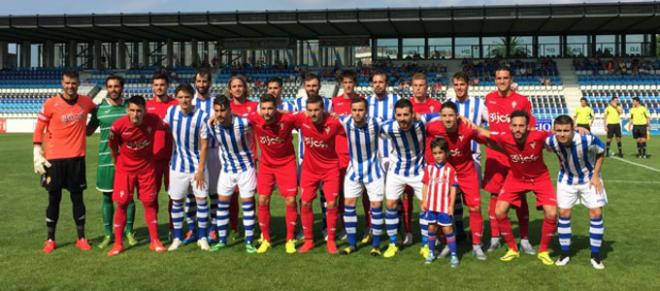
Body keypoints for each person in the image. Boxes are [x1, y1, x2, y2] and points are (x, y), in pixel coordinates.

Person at [480, 110, 557, 265]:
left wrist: (579, 128)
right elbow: (483, 132)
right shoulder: (504, 137)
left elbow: (559, 132)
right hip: (515, 179)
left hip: (540, 178)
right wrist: (465, 122)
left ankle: (543, 251)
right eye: (514, 125)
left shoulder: (538, 136)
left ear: (528, 127)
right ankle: (512, 249)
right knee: (500, 211)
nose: (518, 129)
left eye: (521, 126)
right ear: (510, 126)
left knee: (552, 213)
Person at [33, 70, 96, 253]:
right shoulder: (51, 104)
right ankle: (50, 239)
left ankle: (81, 238)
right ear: (62, 83)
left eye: (74, 83)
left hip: (76, 159)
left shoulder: (86, 102)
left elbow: (99, 112)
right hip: (54, 160)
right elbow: (39, 129)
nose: (70, 86)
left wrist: (91, 128)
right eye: (67, 83)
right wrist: (37, 151)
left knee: (78, 198)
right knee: (54, 199)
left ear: (78, 83)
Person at [424, 101, 487, 260]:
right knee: (442, 210)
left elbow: (486, 138)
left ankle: (476, 245)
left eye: (451, 115)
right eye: (444, 115)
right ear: (440, 117)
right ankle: (445, 242)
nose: (447, 119)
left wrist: (508, 149)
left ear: (457, 116)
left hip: (466, 171)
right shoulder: (433, 127)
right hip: (446, 173)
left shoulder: (467, 128)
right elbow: (418, 121)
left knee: (475, 207)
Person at [106, 95, 168, 256]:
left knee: (149, 203)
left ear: (144, 111)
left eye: (139, 111)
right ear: (127, 110)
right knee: (122, 203)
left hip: (146, 169)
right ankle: (118, 243)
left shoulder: (153, 120)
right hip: (125, 170)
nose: (135, 114)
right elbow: (112, 145)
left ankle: (154, 241)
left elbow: (169, 128)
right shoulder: (118, 125)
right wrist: (115, 161)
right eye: (132, 110)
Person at [483, 66, 534, 254]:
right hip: (494, 157)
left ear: (511, 79)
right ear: (495, 80)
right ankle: (495, 238)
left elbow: (531, 127)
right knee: (494, 196)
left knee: (520, 196)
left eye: (505, 78)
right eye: (499, 78)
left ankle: (525, 239)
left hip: (515, 157)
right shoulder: (488, 99)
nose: (502, 81)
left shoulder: (522, 101)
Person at [545, 115, 607, 269]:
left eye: (566, 130)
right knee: (564, 213)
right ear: (554, 130)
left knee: (596, 213)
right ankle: (565, 254)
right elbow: (540, 143)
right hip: (566, 180)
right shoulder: (551, 141)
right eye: (558, 130)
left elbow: (601, 151)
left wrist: (595, 176)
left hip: (589, 179)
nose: (562, 134)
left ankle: (596, 256)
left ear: (573, 129)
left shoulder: (586, 139)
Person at [86, 75, 137, 249]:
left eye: (116, 86)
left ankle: (129, 232)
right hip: (106, 160)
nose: (113, 89)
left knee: (128, 198)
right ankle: (109, 234)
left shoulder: (130, 108)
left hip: (128, 161)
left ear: (122, 87)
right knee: (107, 196)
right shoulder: (99, 109)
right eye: (110, 86)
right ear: (106, 88)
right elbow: (88, 131)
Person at [293, 94, 344, 254]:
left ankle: (331, 240)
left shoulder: (334, 123)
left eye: (316, 110)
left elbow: (351, 131)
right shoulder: (302, 120)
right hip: (309, 169)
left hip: (330, 169)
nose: (313, 113)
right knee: (306, 203)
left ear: (323, 109)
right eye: (310, 110)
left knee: (331, 203)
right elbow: (280, 116)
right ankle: (308, 240)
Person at [207, 95, 258, 253]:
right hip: (227, 170)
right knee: (222, 205)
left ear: (230, 110)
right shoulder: (212, 125)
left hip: (245, 169)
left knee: (247, 205)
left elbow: (260, 126)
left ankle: (249, 241)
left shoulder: (243, 123)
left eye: (223, 110)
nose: (219, 114)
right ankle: (222, 240)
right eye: (216, 111)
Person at [248, 94, 299, 254]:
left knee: (290, 200)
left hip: (286, 163)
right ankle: (266, 239)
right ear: (260, 109)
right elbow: (233, 115)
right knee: (262, 199)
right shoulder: (254, 118)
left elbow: (307, 117)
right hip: (266, 165)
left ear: (276, 108)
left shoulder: (288, 118)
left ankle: (290, 239)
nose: (267, 112)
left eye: (270, 108)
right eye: (263, 109)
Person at [164, 84, 210, 251]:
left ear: (193, 98)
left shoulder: (202, 116)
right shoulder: (171, 112)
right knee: (176, 202)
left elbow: (204, 145)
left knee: (202, 201)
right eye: (181, 97)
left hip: (198, 167)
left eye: (187, 97)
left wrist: (200, 170)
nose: (184, 100)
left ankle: (203, 237)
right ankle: (177, 237)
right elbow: (162, 127)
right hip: (177, 166)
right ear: (176, 98)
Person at [337, 97, 385, 256]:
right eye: (355, 110)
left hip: (374, 171)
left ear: (366, 111)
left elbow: (397, 125)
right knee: (349, 204)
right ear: (351, 111)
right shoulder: (346, 122)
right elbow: (326, 116)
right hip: (353, 171)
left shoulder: (376, 123)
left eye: (361, 110)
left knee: (376, 207)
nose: (357, 113)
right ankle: (352, 244)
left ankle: (376, 245)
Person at [380, 99, 426, 258]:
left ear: (413, 114)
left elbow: (440, 117)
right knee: (391, 204)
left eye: (406, 114)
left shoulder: (421, 125)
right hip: (396, 171)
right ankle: (393, 243)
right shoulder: (389, 128)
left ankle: (426, 244)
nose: (403, 118)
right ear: (395, 116)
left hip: (418, 171)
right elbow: (370, 128)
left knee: (425, 207)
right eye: (399, 115)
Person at [447, 71, 488, 243]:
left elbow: (489, 125)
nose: (459, 88)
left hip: (473, 158)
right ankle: (459, 228)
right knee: (454, 197)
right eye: (456, 85)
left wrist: (476, 127)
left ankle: (474, 231)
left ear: (468, 85)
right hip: (453, 159)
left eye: (462, 84)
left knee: (471, 199)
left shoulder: (479, 104)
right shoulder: (448, 105)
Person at [332, 70, 370, 244]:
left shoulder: (361, 101)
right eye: (345, 82)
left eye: (350, 82)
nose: (348, 85)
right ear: (341, 84)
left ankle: (369, 225)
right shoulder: (335, 102)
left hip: (360, 154)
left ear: (355, 83)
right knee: (343, 192)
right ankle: (345, 226)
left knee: (366, 193)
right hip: (340, 154)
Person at [407, 72, 442, 245]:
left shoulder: (435, 105)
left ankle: (433, 234)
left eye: (422, 85)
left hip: (429, 159)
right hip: (410, 160)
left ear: (427, 87)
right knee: (406, 198)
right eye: (416, 85)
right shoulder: (407, 106)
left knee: (431, 198)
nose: (419, 88)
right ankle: (407, 232)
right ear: (411, 87)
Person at [226, 75, 259, 240]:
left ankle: (250, 226)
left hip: (249, 159)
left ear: (245, 88)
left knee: (249, 196)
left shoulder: (254, 106)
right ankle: (233, 226)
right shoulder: (226, 107)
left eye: (240, 85)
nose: (237, 89)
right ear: (230, 89)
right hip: (230, 160)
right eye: (234, 86)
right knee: (232, 196)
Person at [145, 73, 178, 241]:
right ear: (152, 87)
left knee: (174, 195)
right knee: (153, 195)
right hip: (153, 158)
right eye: (156, 85)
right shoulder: (146, 106)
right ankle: (154, 229)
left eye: (162, 85)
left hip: (174, 158)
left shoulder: (175, 104)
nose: (159, 87)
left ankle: (174, 228)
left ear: (167, 86)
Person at [190, 67, 220, 244]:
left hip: (214, 153)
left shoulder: (216, 102)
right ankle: (193, 228)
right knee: (193, 194)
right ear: (195, 82)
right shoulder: (189, 101)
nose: (201, 84)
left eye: (204, 81)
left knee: (214, 193)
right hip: (194, 155)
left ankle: (213, 227)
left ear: (209, 83)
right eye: (199, 81)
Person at [421, 137, 459, 268]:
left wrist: (451, 205)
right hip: (431, 205)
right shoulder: (429, 168)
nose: (437, 156)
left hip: (443, 206)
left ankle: (454, 255)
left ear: (447, 153)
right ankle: (431, 252)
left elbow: (453, 189)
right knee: (431, 228)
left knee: (447, 229)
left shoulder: (450, 170)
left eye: (440, 153)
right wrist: (424, 200)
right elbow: (425, 185)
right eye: (435, 153)